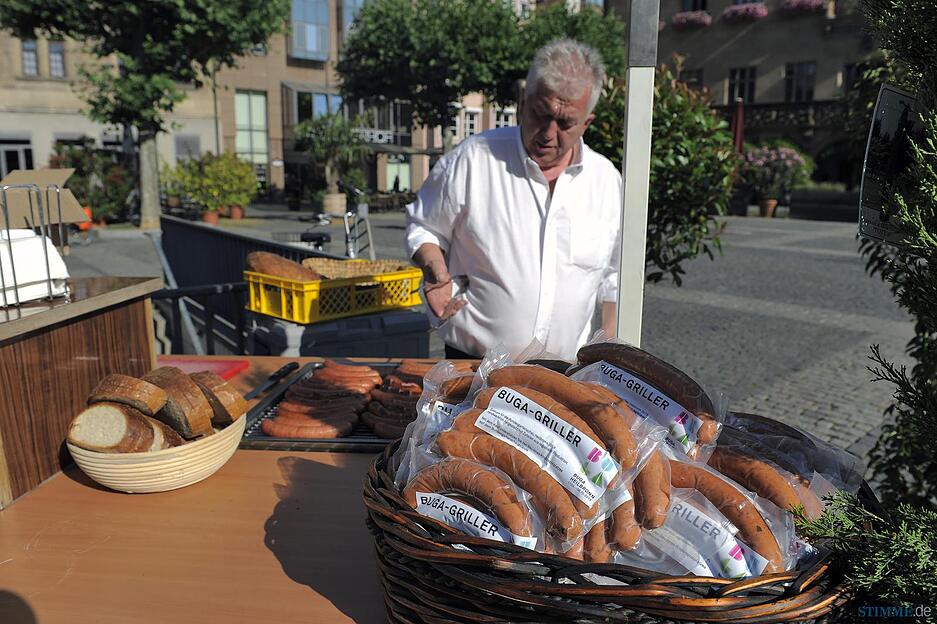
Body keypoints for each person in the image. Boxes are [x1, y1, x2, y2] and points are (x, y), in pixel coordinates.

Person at [405, 39, 622, 361]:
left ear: (586, 123)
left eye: (565, 123)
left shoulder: (606, 181)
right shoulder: (473, 159)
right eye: (541, 114)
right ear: (523, 102)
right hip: (472, 367)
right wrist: (435, 268)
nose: (549, 133)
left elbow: (612, 279)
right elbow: (424, 226)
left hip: (564, 374)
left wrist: (610, 357)